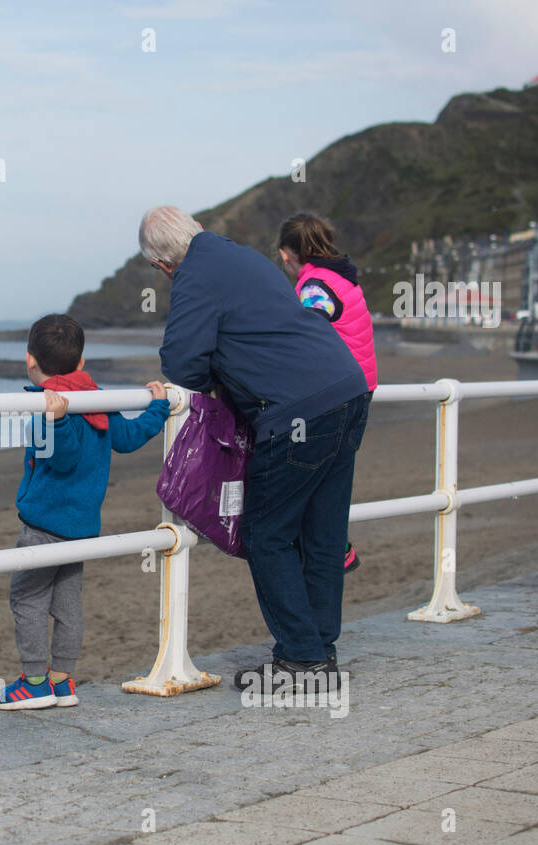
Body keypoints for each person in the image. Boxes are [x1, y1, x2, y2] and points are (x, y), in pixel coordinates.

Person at [139, 205, 369, 691]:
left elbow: (180, 361)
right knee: (324, 532)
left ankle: (302, 659)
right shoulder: (241, 257)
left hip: (299, 411)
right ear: (197, 229)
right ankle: (320, 645)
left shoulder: (194, 274)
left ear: (162, 266)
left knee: (267, 533)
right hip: (348, 390)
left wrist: (220, 379)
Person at [0, 314, 171, 710]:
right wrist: (157, 408)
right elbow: (127, 438)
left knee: (27, 600)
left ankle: (35, 681)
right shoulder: (97, 399)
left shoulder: (47, 408)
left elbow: (62, 460)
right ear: (81, 363)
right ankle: (63, 681)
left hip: (42, 526)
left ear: (29, 362)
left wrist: (53, 423)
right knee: (68, 605)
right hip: (83, 527)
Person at [277, 212, 377, 575]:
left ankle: (337, 549)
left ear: (288, 253)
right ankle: (337, 549)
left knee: (305, 481)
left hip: (333, 396)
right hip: (361, 391)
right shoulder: (343, 277)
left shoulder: (315, 286)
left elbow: (308, 337)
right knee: (333, 481)